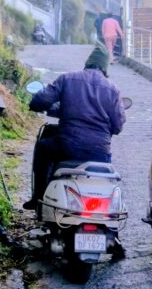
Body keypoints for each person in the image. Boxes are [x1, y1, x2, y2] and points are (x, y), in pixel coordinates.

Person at [25, 46, 125, 214]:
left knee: (43, 147)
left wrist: (47, 107)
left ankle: (38, 197)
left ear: (88, 62)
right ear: (104, 67)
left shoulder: (67, 79)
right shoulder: (112, 89)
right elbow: (118, 126)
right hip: (100, 152)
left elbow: (39, 101)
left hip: (67, 147)